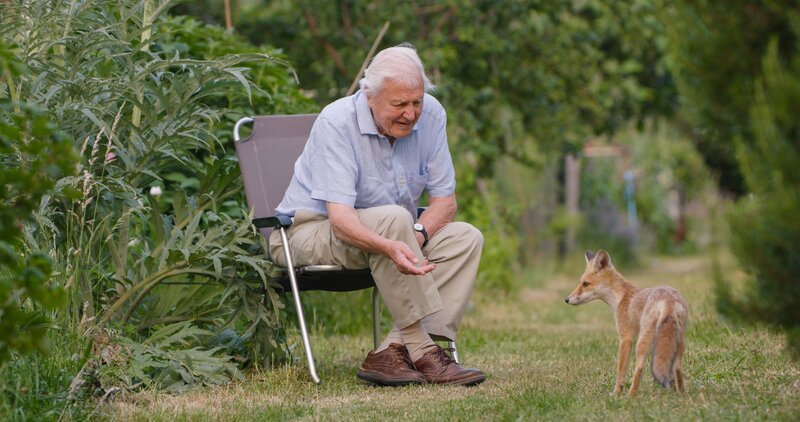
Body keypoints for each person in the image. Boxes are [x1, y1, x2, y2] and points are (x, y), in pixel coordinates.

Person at [269, 44, 485, 386]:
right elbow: (340, 219)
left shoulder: (433, 116)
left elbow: (445, 203)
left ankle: (390, 352)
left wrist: (411, 238)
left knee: (466, 237)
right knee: (393, 219)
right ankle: (424, 352)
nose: (411, 114)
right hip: (304, 234)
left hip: (390, 230)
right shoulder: (337, 121)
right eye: (399, 104)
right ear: (370, 97)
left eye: (416, 102)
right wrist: (393, 240)